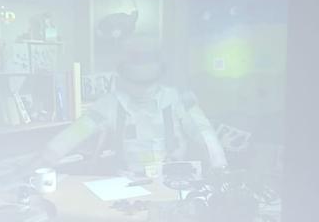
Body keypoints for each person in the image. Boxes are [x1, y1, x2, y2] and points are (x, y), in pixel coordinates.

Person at [41, 36, 227, 177]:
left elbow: (204, 133)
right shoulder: (108, 104)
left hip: (173, 180)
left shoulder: (178, 99)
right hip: (128, 184)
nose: (143, 89)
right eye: (136, 82)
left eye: (148, 82)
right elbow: (71, 136)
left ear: (158, 75)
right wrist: (41, 163)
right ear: (124, 76)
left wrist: (219, 166)